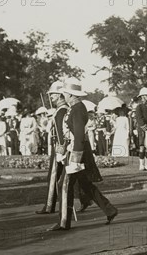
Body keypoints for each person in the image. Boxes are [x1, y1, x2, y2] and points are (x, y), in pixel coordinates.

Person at [49, 77, 118, 231]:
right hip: (72, 150)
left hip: (76, 153)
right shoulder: (74, 108)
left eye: (65, 93)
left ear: (72, 95)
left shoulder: (78, 109)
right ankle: (110, 210)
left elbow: (79, 134)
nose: (64, 95)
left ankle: (63, 222)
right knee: (86, 185)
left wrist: (75, 156)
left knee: (63, 185)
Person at [37, 81, 69, 215]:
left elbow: (61, 132)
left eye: (53, 95)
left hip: (60, 149)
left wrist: (61, 147)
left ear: (60, 95)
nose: (51, 97)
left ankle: (49, 206)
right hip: (60, 147)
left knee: (53, 176)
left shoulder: (62, 111)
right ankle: (85, 199)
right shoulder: (61, 110)